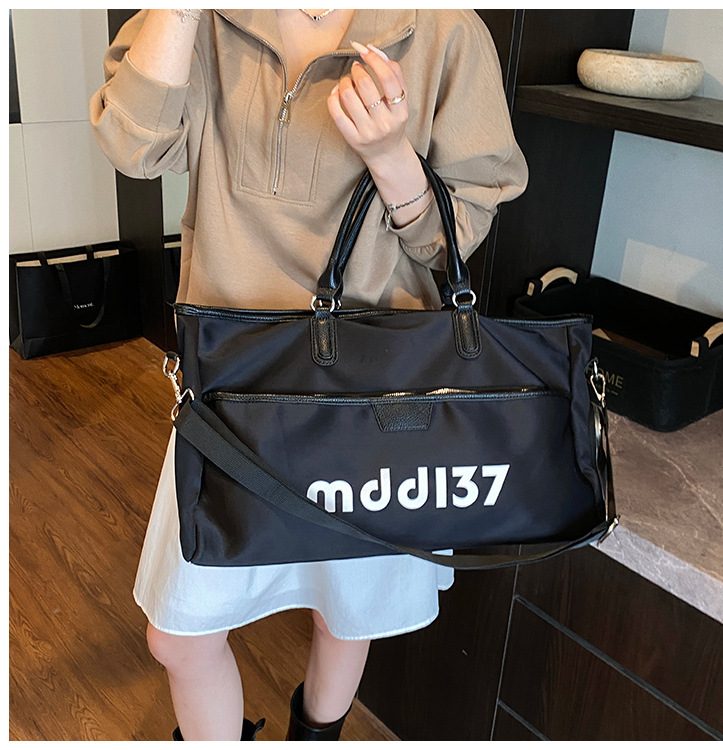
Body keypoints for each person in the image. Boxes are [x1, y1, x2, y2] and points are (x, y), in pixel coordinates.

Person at [89, 8, 528, 741]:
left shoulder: (441, 27)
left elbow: (453, 238)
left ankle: (315, 735)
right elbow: (132, 147)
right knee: (180, 637)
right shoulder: (201, 22)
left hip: (372, 398)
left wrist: (389, 154)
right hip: (233, 390)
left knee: (346, 612)